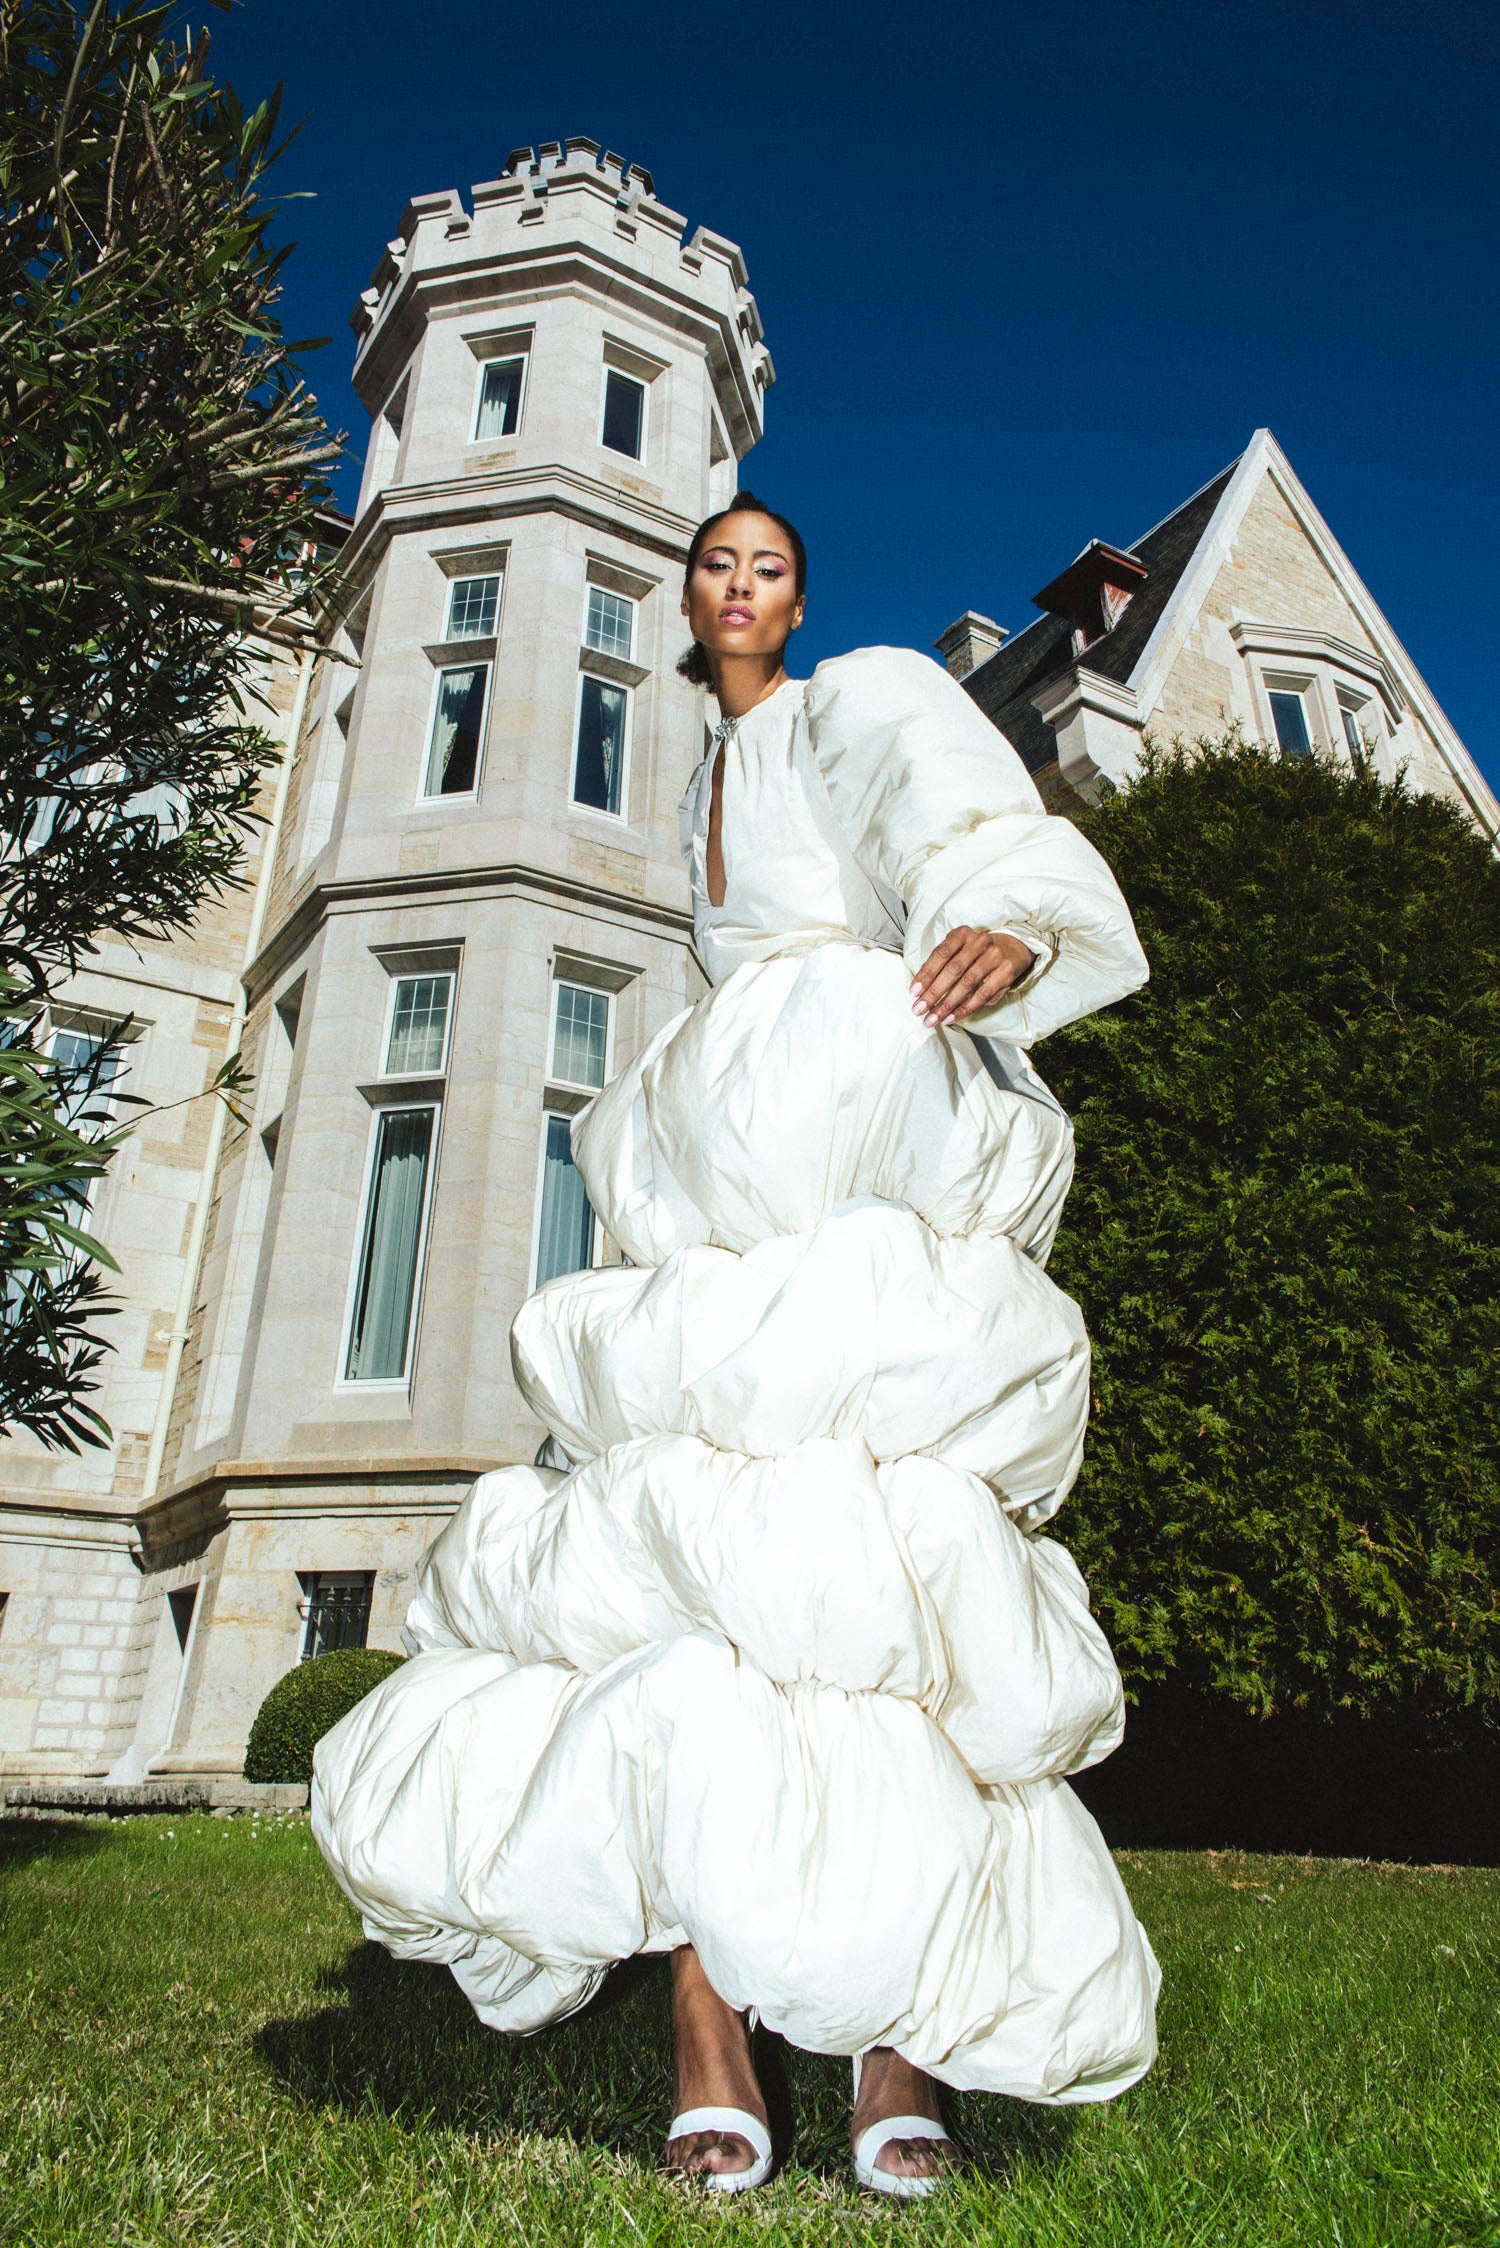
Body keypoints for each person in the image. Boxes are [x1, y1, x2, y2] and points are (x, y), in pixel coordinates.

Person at [313, 492, 1160, 2200]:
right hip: (726, 1136)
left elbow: (949, 799)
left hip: (851, 1099)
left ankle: (891, 2051)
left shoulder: (855, 697)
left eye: (771, 563)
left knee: (873, 1597)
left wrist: (1001, 917)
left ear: (799, 592)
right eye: (719, 566)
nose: (746, 586)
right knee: (702, 1613)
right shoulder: (697, 778)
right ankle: (713, 2050)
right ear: (688, 602)